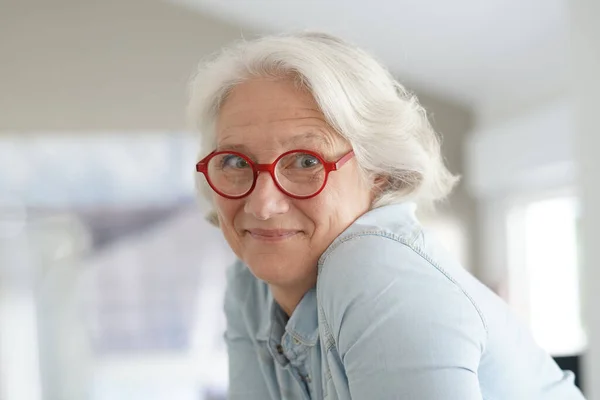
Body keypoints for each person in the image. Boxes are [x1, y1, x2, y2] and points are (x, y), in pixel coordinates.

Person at [188, 32, 585, 399]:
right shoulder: (249, 284)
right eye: (235, 162)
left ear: (379, 175)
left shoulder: (377, 272)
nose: (262, 205)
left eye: (306, 161)